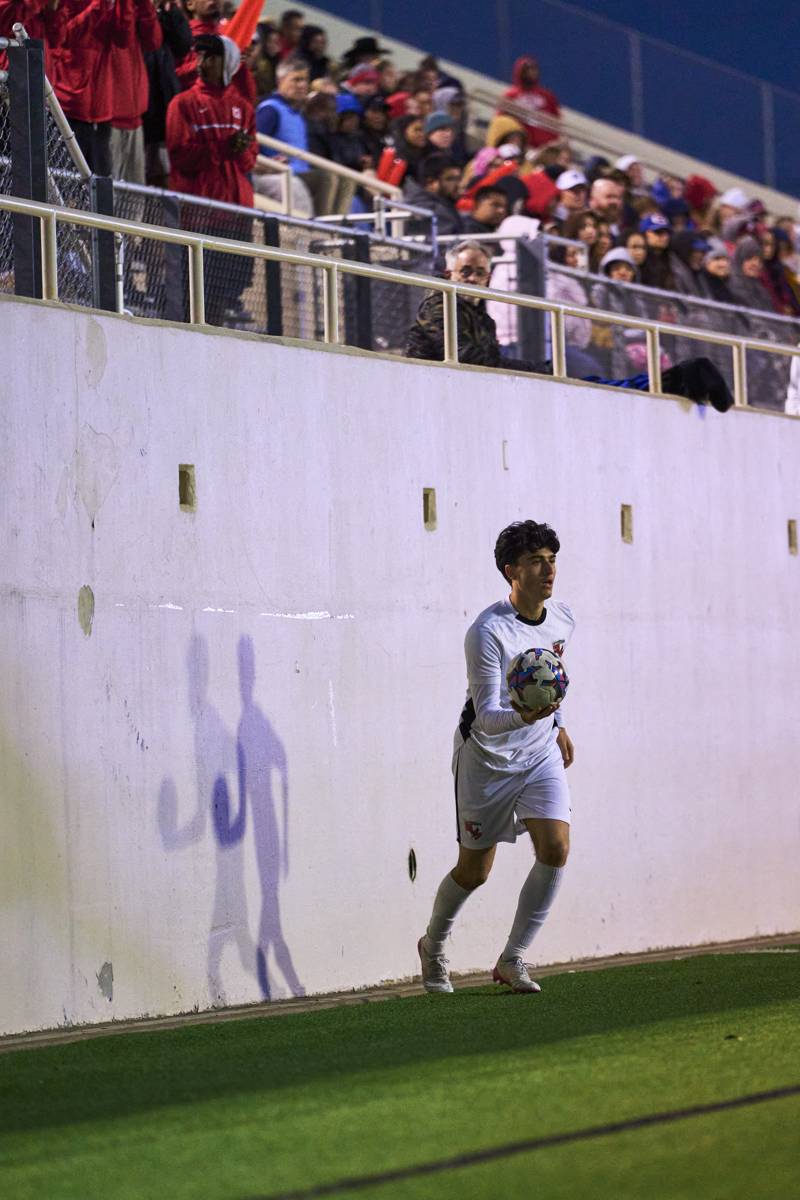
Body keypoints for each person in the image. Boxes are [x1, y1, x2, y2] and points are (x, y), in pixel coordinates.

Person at [417, 519, 574, 995]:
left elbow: (552, 678)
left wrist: (558, 725)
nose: (548, 571)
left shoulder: (563, 618)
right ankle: (434, 944)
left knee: (556, 848)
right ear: (511, 571)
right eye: (535, 562)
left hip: (540, 752)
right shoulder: (486, 631)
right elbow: (486, 716)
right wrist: (529, 718)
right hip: (486, 758)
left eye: (552, 561)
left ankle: (513, 957)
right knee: (475, 871)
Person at [405, 241, 733, 412]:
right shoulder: (439, 303)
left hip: (479, 392)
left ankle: (675, 379)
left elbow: (486, 358)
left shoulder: (481, 314)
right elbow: (468, 357)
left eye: (480, 273)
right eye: (466, 273)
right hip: (438, 394)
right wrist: (535, 369)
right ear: (450, 275)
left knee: (584, 382)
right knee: (575, 381)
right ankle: (677, 379)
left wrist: (539, 368)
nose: (474, 279)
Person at [165, 34, 256, 326]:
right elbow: (180, 156)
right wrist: (224, 148)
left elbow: (250, 159)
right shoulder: (182, 104)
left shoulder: (244, 107)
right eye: (200, 56)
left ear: (227, 62)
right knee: (198, 295)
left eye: (211, 57)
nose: (203, 63)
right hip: (199, 214)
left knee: (229, 289)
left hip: (236, 213)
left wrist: (239, 150)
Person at [109, 0, 164, 184]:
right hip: (107, 118)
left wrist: (145, 5)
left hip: (135, 116)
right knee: (108, 198)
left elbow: (153, 41)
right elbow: (121, 36)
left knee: (134, 201)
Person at [254, 56, 313, 216]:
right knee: (327, 179)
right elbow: (253, 145)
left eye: (305, 80)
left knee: (340, 180)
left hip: (302, 172)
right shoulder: (270, 110)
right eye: (296, 80)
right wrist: (269, 164)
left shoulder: (298, 114)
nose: (302, 85)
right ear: (280, 80)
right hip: (282, 173)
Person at [500, 55, 560, 148]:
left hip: (545, 147)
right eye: (527, 70)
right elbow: (501, 119)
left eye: (534, 69)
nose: (531, 73)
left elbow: (556, 120)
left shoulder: (547, 96)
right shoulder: (511, 95)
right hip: (521, 144)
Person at [403, 153, 464, 239]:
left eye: (459, 179)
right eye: (450, 179)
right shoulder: (430, 211)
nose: (459, 185)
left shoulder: (443, 206)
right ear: (430, 183)